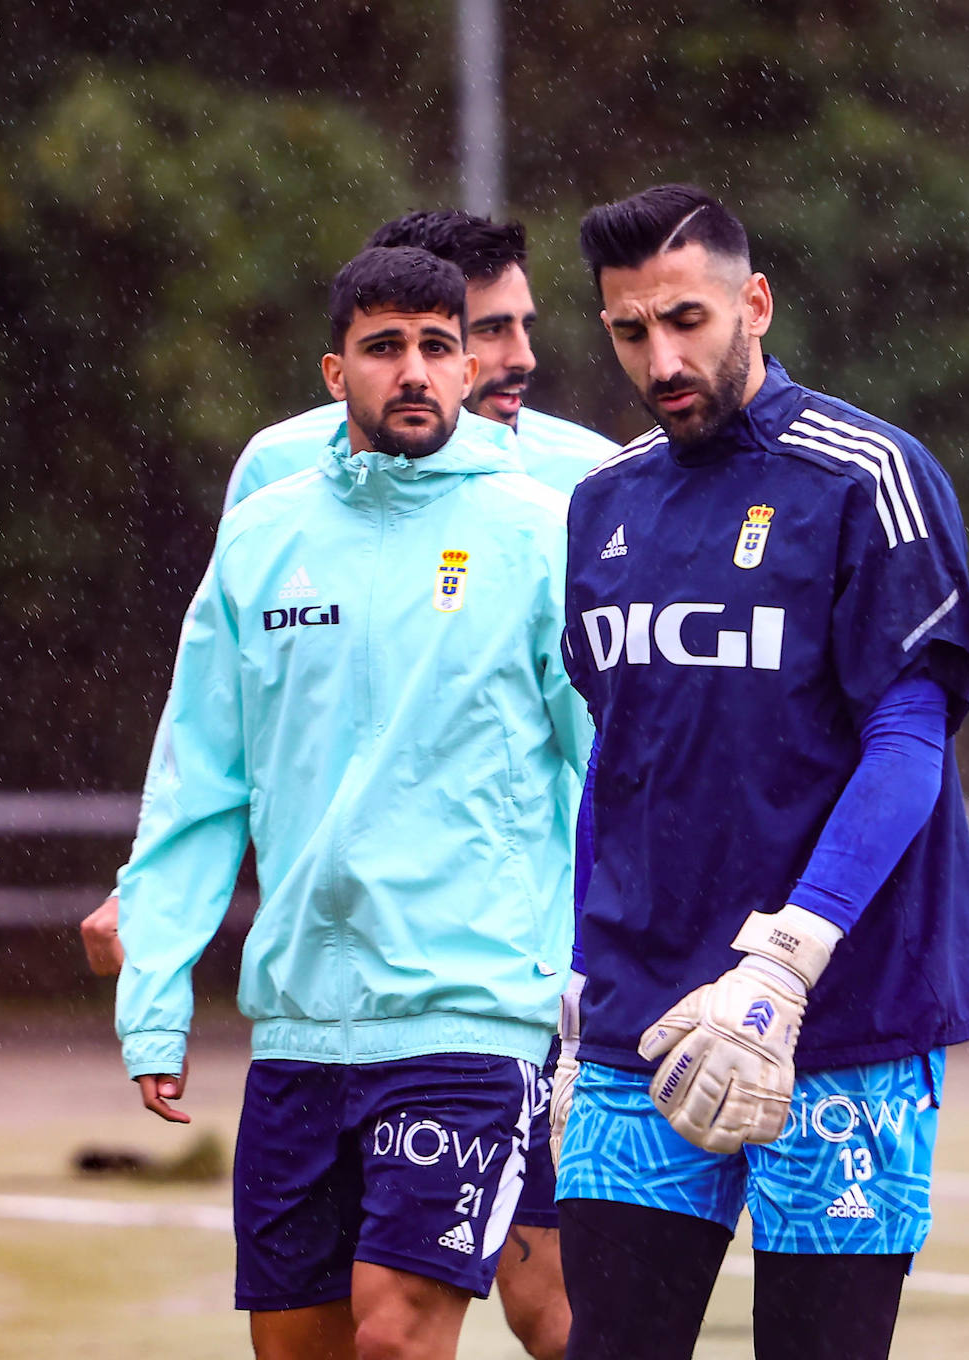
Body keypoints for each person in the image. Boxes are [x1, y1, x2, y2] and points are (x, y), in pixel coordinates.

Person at [84, 209, 618, 1360]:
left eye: (439, 344)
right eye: (386, 347)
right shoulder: (266, 531)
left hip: (474, 1008)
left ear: (468, 366)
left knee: (401, 1333)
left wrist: (614, 977)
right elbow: (199, 777)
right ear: (338, 371)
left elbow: (612, 762)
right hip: (299, 1026)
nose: (415, 370)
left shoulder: (543, 528)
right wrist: (158, 993)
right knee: (302, 1349)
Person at [552, 184, 969, 1360]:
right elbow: (621, 757)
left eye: (688, 319)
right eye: (630, 331)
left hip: (841, 1015)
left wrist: (791, 958)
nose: (662, 357)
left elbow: (910, 739)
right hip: (640, 1025)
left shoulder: (867, 477)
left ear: (754, 301)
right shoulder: (602, 506)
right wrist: (576, 974)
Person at [221, 210, 618, 510]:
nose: (524, 358)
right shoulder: (276, 464)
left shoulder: (595, 473)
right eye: (492, 329)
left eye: (524, 327)